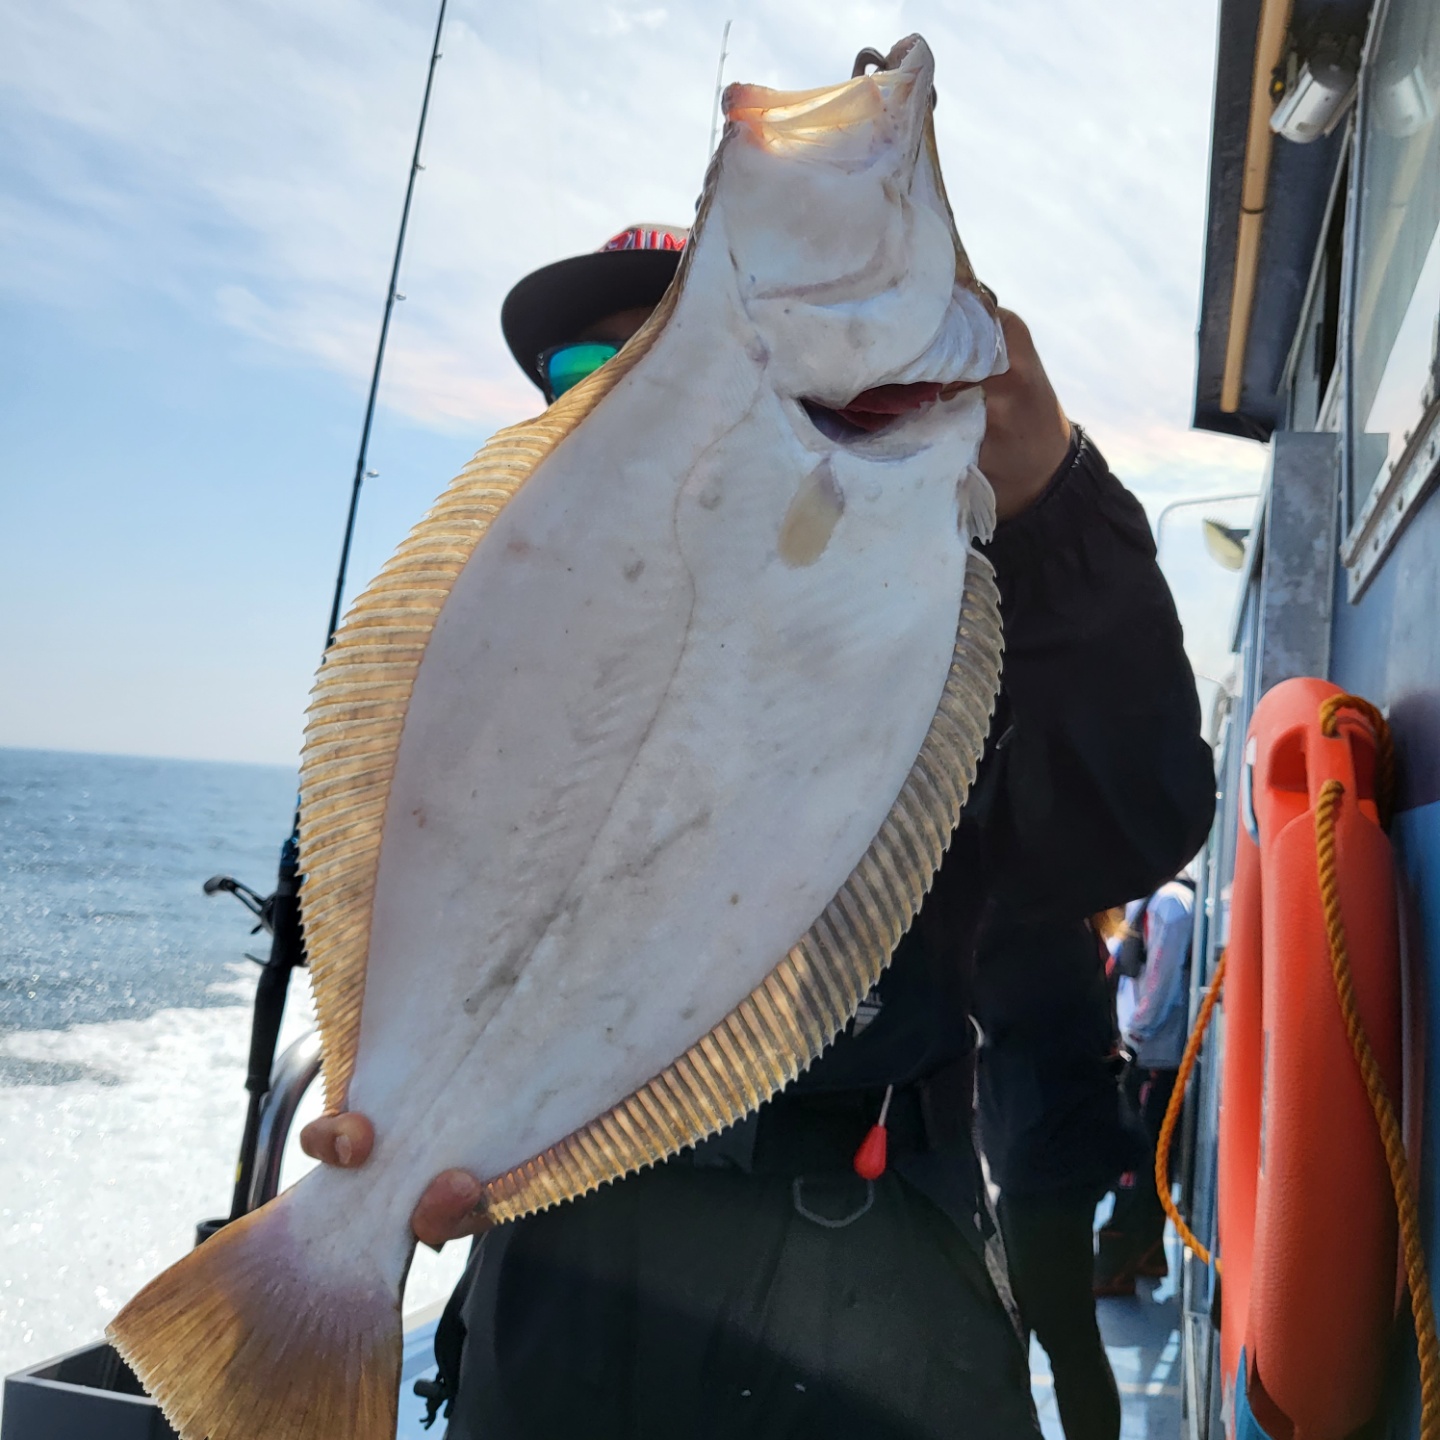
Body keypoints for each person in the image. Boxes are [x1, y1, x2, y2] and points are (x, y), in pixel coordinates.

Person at [300, 224, 1216, 1440]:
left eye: (678, 360)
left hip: (873, 1279)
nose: (625, 402)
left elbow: (1129, 817)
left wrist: (1053, 503)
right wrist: (391, 1128)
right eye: (585, 375)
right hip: (559, 1291)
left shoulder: (923, 638)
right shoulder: (495, 688)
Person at [973, 911, 1147, 1440]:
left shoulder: (1033, 928)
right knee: (1042, 1324)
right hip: (1050, 1147)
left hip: (1046, 1152)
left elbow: (993, 1006)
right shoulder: (1060, 920)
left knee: (1061, 1331)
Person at [1095, 876, 1198, 1295]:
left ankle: (1114, 1264)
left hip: (1152, 1056)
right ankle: (1148, 1252)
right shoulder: (1151, 900)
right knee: (1150, 1158)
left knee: (1136, 1164)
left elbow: (1160, 985)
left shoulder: (1169, 903)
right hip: (1145, 1051)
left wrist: (1130, 1043)